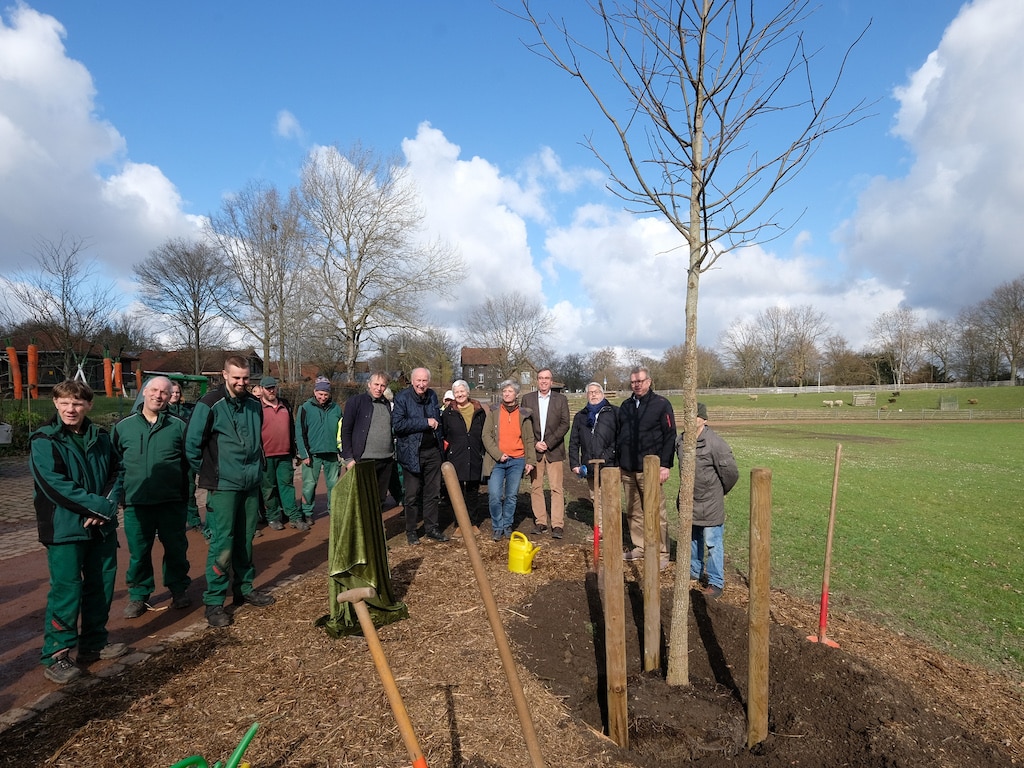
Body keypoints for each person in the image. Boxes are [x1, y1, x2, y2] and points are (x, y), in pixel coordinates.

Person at [30, 380, 127, 684]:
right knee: (66, 590)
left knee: (101, 584)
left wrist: (107, 506)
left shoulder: (100, 436)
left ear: (89, 405)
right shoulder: (44, 440)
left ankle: (94, 642)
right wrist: (95, 508)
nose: (71, 409)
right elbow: (54, 484)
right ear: (56, 404)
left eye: (78, 403)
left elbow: (117, 472)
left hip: (101, 527)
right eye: (65, 403)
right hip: (64, 529)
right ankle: (56, 654)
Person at [186, 356, 275, 628]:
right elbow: (192, 445)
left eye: (246, 378)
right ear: (225, 375)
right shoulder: (210, 404)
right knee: (222, 544)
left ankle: (244, 588)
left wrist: (257, 468)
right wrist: (213, 472)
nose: (241, 382)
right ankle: (214, 601)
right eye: (236, 377)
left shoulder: (253, 404)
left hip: (250, 484)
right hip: (223, 486)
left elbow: (257, 440)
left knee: (245, 539)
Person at [112, 376, 192, 619]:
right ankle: (139, 595)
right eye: (154, 390)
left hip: (171, 502)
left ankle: (178, 589)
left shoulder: (179, 426)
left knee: (176, 548)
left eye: (164, 392)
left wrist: (185, 493)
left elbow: (189, 464)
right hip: (136, 502)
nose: (159, 396)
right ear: (144, 392)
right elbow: (113, 465)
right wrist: (118, 496)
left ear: (170, 396)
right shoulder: (123, 427)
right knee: (139, 551)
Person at [617, 366, 676, 569]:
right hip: (628, 469)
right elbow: (620, 436)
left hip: (650, 470)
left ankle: (661, 551)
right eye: (633, 382)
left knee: (656, 511)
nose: (637, 385)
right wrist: (619, 463)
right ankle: (640, 546)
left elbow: (670, 436)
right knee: (634, 511)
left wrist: (665, 464)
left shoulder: (661, 405)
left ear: (649, 381)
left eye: (640, 381)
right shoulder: (625, 406)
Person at [680, 402, 738, 599]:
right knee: (693, 538)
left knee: (713, 543)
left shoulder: (715, 443)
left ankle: (716, 582)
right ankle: (694, 571)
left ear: (704, 419)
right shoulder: (681, 441)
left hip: (711, 503)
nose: (692, 420)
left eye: (696, 416)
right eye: (689, 416)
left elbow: (731, 474)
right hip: (690, 502)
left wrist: (718, 493)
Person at [392, 367, 449, 545]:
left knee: (433, 493)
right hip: (411, 453)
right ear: (412, 380)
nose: (421, 385)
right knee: (411, 495)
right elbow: (398, 425)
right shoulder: (402, 398)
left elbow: (437, 419)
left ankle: (432, 528)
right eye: (418, 381)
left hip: (433, 451)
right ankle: (411, 531)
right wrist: (425, 423)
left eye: (425, 381)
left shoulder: (432, 396)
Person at [482, 380, 536, 541]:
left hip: (517, 460)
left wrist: (530, 461)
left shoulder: (524, 414)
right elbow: (486, 436)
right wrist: (498, 454)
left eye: (510, 391)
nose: (506, 394)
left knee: (511, 496)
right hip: (497, 461)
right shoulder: (494, 412)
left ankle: (507, 525)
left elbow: (529, 439)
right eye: (504, 391)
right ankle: (497, 526)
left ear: (517, 394)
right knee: (494, 495)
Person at [522, 368, 570, 539]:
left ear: (552, 381)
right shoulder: (527, 399)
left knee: (556, 488)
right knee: (536, 487)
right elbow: (524, 425)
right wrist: (534, 444)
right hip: (535, 451)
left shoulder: (561, 399)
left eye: (547, 378)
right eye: (541, 378)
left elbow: (565, 424)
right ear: (537, 380)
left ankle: (557, 525)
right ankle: (540, 522)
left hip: (554, 450)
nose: (543, 381)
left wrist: (548, 443)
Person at [567, 381, 618, 538]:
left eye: (596, 391)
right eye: (590, 392)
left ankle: (613, 529)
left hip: (610, 464)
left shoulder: (614, 413)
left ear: (602, 394)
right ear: (586, 395)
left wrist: (608, 455)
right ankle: (601, 529)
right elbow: (574, 441)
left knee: (610, 497)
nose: (593, 394)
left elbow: (620, 438)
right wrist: (575, 463)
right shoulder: (581, 416)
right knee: (596, 497)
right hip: (589, 464)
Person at [341, 371, 396, 512]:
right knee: (362, 500)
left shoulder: (387, 405)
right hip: (364, 460)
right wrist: (348, 458)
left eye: (382, 385)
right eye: (376, 384)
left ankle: (375, 531)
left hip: (386, 459)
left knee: (379, 501)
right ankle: (362, 533)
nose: (379, 388)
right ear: (369, 384)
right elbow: (346, 431)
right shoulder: (356, 402)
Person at [258, 376, 305, 531]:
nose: (271, 391)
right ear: (261, 389)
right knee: (269, 488)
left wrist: (294, 449)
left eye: (273, 387)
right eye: (268, 388)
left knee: (287, 486)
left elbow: (291, 427)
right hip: (266, 456)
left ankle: (293, 517)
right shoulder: (257, 407)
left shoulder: (285, 404)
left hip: (285, 454)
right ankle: (272, 517)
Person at [441, 379, 487, 534]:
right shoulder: (449, 412)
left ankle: (473, 523)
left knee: (473, 491)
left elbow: (483, 433)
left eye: (462, 391)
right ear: (453, 395)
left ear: (468, 392)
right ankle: (459, 524)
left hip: (474, 454)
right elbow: (445, 434)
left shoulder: (479, 411)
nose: (459, 394)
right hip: (456, 456)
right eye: (456, 392)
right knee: (457, 491)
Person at [296, 376, 342, 524]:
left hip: (331, 453)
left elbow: (342, 430)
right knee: (309, 485)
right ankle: (307, 512)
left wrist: (342, 451)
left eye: (326, 394)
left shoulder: (336, 408)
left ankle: (334, 510)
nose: (323, 397)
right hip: (312, 454)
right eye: (320, 394)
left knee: (333, 484)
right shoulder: (305, 408)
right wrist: (304, 454)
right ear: (315, 392)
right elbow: (300, 432)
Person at [168, 382, 204, 534]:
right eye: (172, 392)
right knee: (172, 491)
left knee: (189, 489)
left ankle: (194, 519)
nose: (175, 395)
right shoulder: (163, 411)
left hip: (187, 456)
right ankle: (173, 522)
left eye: (177, 392)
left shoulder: (188, 410)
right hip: (172, 457)